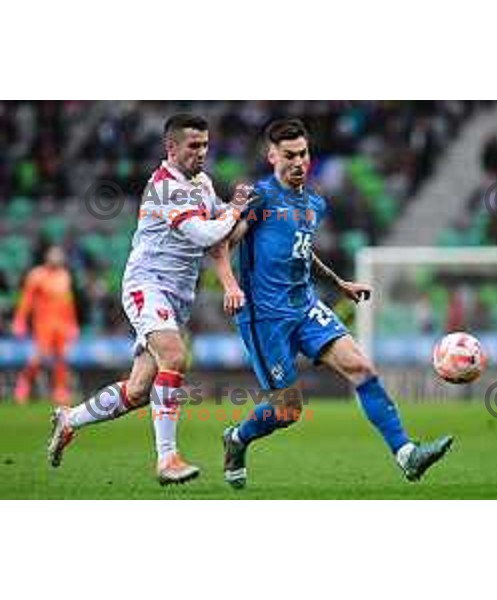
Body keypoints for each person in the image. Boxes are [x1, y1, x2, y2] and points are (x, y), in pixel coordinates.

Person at [214, 118, 453, 489]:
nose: (298, 162)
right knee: (287, 411)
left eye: (304, 154)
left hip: (304, 306)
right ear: (271, 155)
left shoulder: (313, 203)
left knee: (362, 369)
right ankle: (238, 438)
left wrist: (338, 283)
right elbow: (223, 243)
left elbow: (302, 252)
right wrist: (231, 285)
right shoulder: (259, 197)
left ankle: (406, 454)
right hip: (265, 317)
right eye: (289, 155)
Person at [48, 114, 251, 485]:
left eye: (205, 145)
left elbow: (223, 224)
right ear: (170, 148)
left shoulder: (201, 183)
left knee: (139, 390)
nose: (202, 153)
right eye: (194, 146)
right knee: (174, 356)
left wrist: (246, 211)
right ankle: (167, 459)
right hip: (148, 285)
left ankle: (69, 418)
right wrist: (236, 211)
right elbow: (205, 233)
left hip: (178, 297)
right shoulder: (164, 188)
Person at [12, 245, 79, 405]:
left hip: (62, 324)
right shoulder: (37, 275)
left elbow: (68, 303)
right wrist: (19, 321)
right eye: (54, 254)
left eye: (59, 255)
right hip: (43, 323)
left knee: (62, 357)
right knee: (39, 357)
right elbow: (26, 300)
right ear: (46, 256)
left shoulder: (64, 276)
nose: (57, 257)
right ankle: (24, 383)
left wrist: (73, 324)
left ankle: (60, 391)